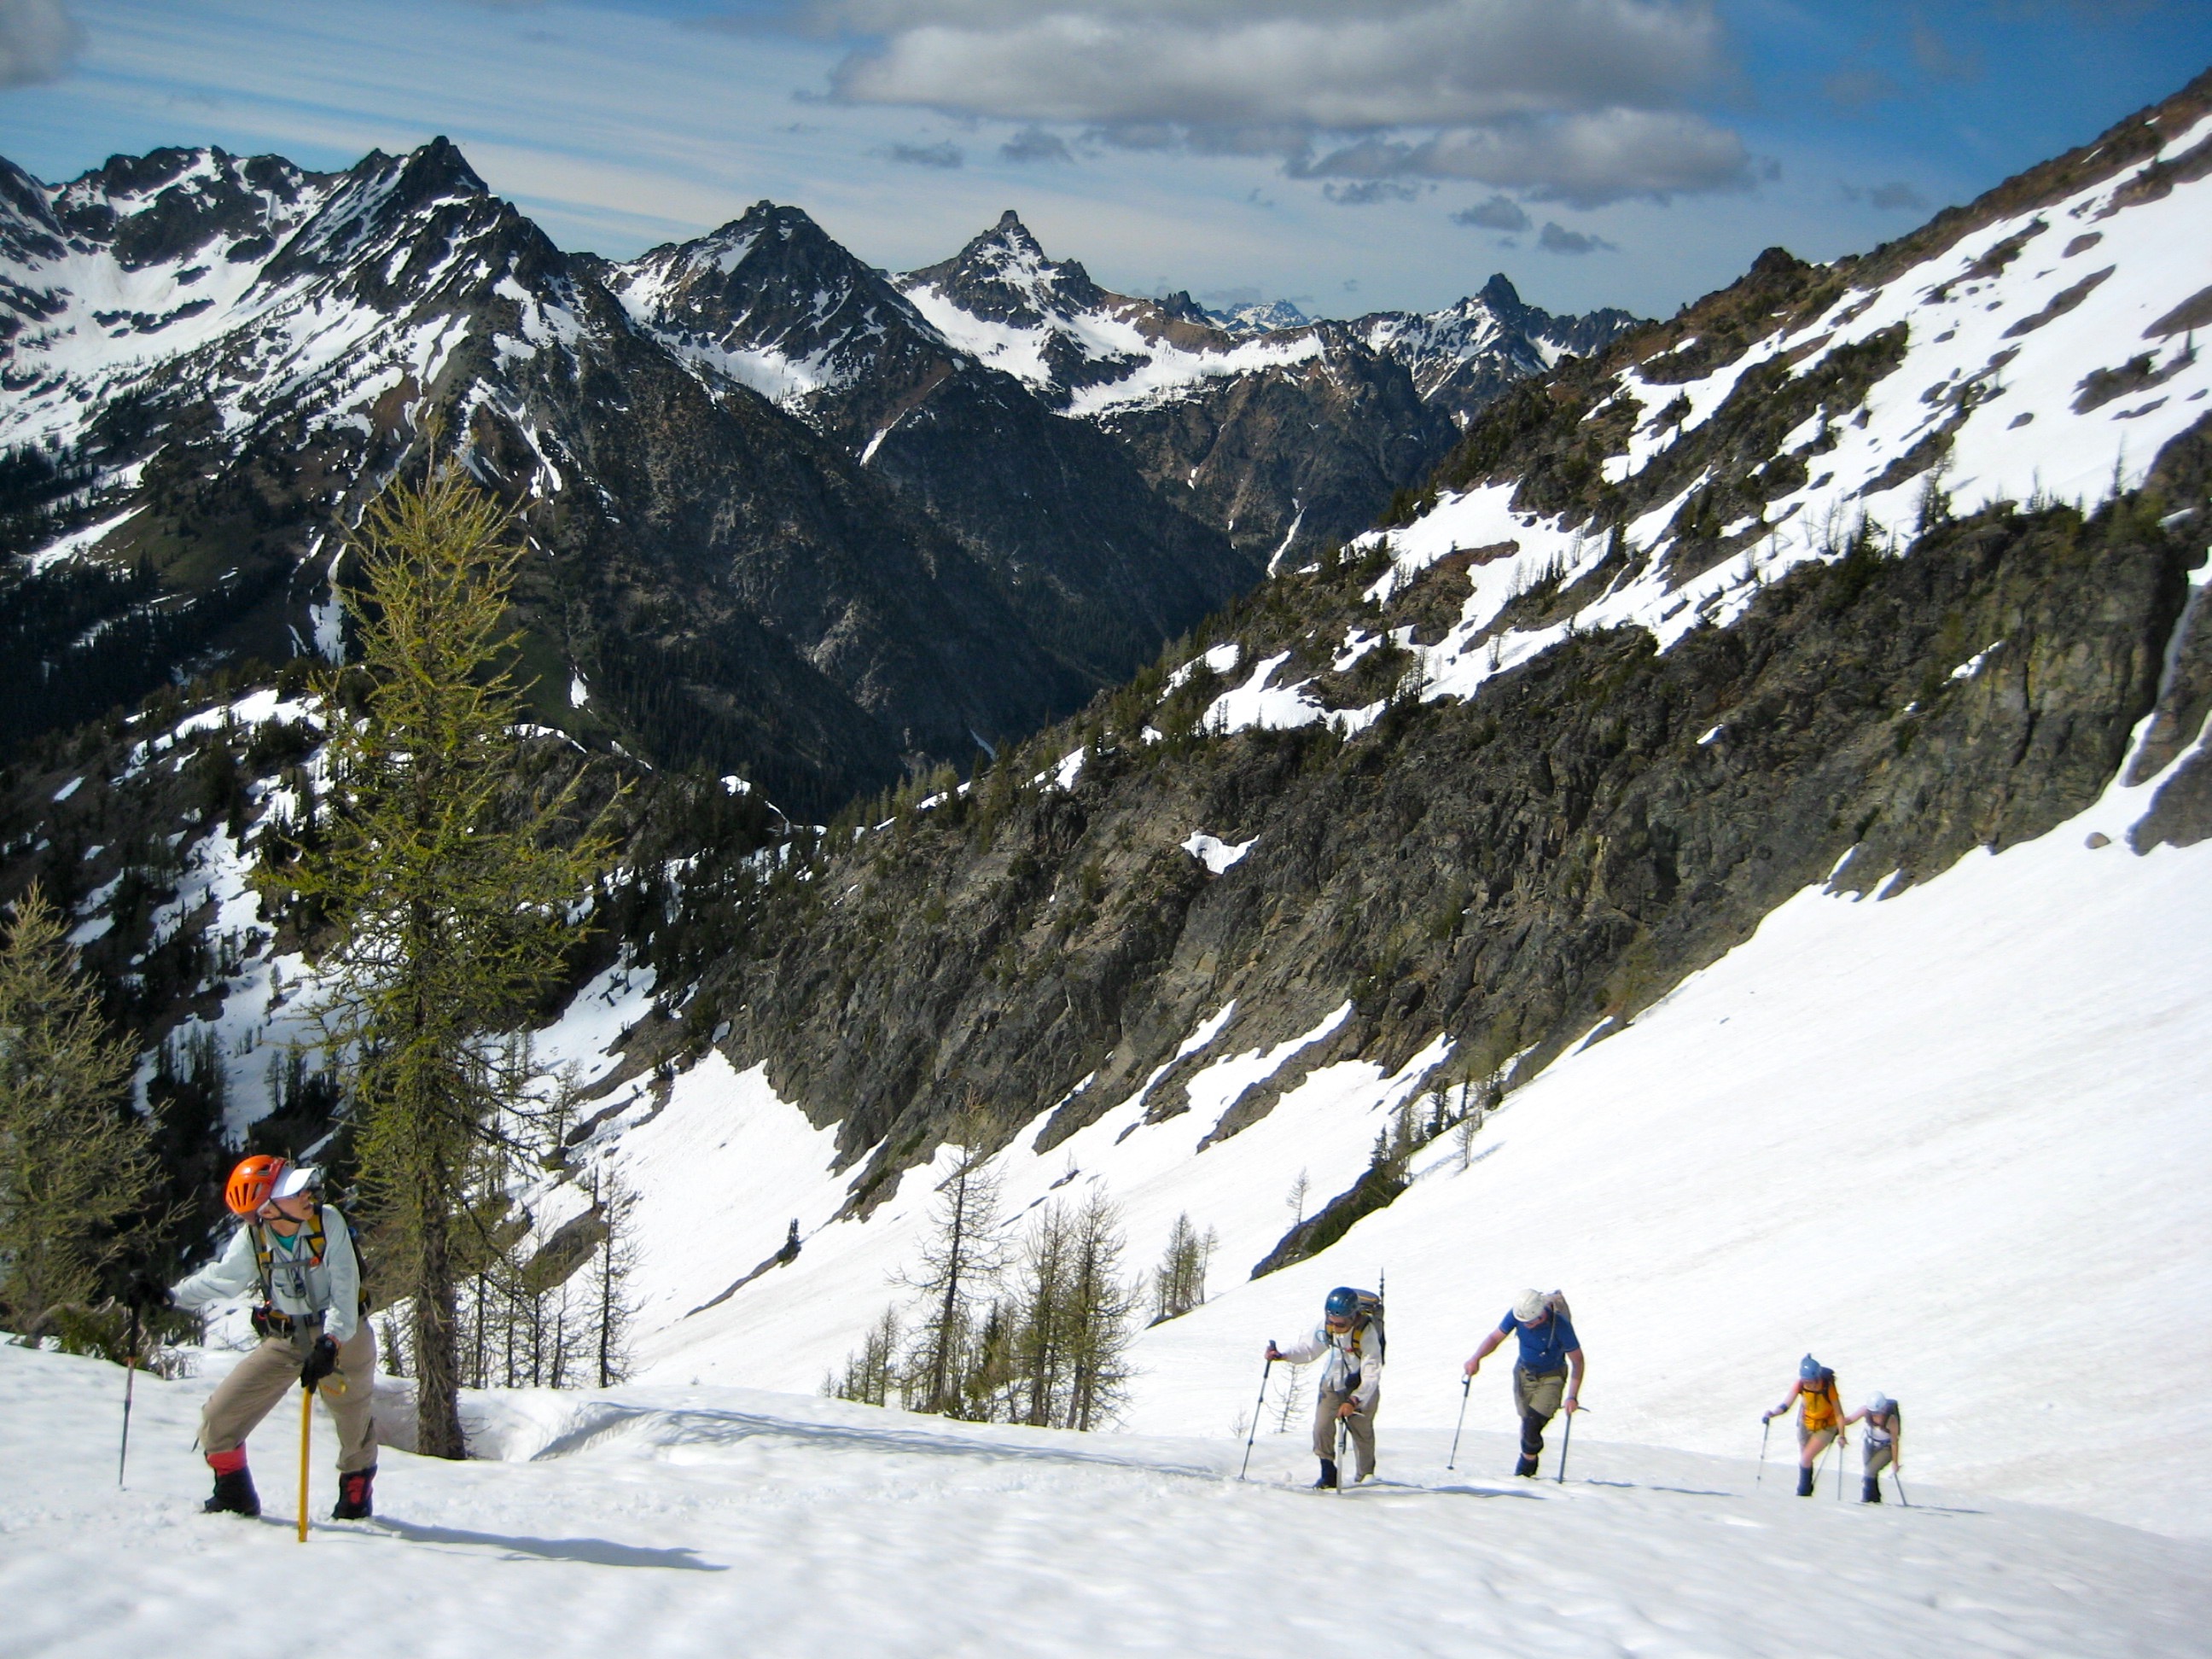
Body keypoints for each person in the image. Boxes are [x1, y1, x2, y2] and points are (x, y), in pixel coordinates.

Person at [166, 1155, 378, 1520]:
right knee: (220, 1417)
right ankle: (234, 1496)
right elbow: (224, 1278)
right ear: (266, 1209)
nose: (308, 1194)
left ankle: (355, 1498)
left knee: (352, 1420)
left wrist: (330, 1343)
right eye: (294, 1191)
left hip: (344, 1334)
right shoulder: (254, 1236)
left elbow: (345, 1290)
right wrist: (169, 1296)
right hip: (285, 1337)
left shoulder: (328, 1223)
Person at [1266, 1286, 1382, 1488]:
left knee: (1362, 1432)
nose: (1335, 1327)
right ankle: (1327, 1472)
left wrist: (1355, 1400)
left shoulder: (1367, 1333)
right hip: (1332, 1382)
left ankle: (1366, 1477)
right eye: (1332, 1322)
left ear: (1353, 1316)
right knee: (1321, 1427)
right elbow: (1308, 1349)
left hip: (1361, 1387)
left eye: (1341, 1323)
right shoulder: (1326, 1326)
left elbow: (1372, 1372)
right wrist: (1283, 1355)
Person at [1464, 1289, 1584, 1476]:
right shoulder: (1517, 1315)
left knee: (1532, 1423)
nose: (1526, 1326)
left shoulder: (1560, 1326)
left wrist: (1572, 1396)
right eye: (1523, 1322)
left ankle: (1524, 1471)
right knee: (1526, 1420)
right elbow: (1496, 1337)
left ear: (1541, 1314)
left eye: (1530, 1322)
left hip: (1552, 1377)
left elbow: (1577, 1361)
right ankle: (1529, 1462)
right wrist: (1476, 1359)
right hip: (1523, 1373)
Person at [1764, 1354, 1846, 1498]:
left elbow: (1839, 1413)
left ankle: (1803, 1492)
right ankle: (1806, 1492)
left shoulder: (1828, 1387)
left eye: (1812, 1382)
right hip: (1806, 1424)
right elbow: (1786, 1404)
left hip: (1826, 1427)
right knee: (1805, 1459)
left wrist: (1842, 1435)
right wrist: (1773, 1413)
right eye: (1807, 1382)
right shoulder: (1800, 1385)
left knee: (1806, 1458)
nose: (1810, 1385)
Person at [1843, 1394, 1902, 1503]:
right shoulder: (1866, 1410)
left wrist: (1895, 1462)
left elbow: (1894, 1442)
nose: (1876, 1415)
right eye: (1874, 1413)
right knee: (1870, 1471)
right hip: (1869, 1445)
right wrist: (1838, 1420)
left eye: (1879, 1412)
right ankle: (1875, 1498)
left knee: (1869, 1471)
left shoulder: (1891, 1419)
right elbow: (1850, 1420)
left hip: (1886, 1448)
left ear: (1884, 1409)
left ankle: (1867, 1498)